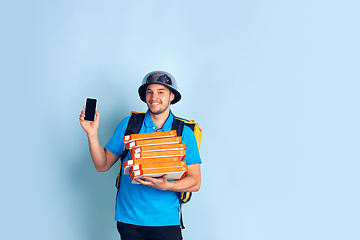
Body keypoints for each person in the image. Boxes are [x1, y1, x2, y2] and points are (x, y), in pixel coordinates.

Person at [79, 71, 202, 240]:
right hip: (129, 220)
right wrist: (92, 134)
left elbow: (195, 181)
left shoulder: (184, 133)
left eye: (161, 92)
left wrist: (167, 186)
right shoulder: (129, 124)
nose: (154, 97)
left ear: (172, 96)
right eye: (149, 91)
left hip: (166, 221)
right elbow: (102, 165)